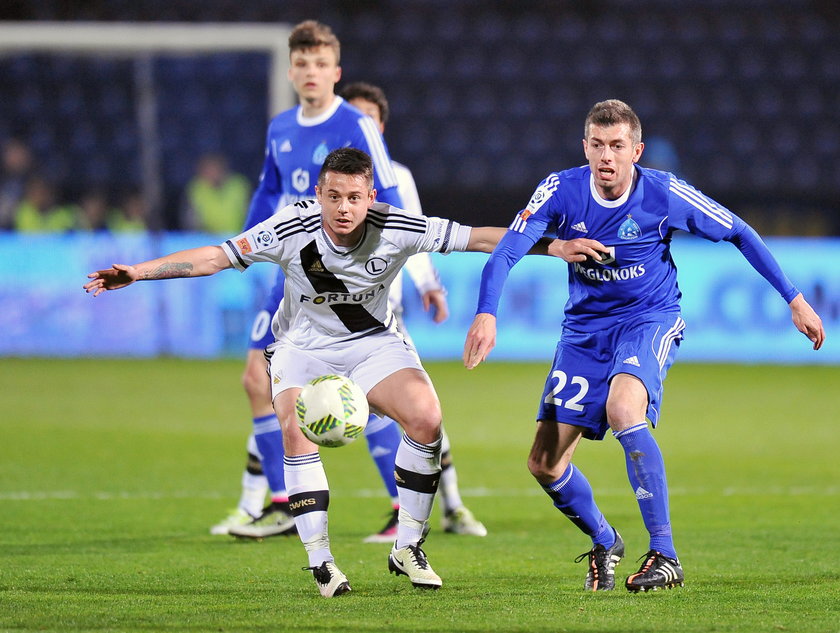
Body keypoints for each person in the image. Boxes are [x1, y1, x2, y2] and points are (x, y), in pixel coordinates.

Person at [84, 147, 556, 597]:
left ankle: (408, 545)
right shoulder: (291, 227)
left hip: (373, 344)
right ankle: (320, 559)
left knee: (427, 417)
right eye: (333, 197)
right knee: (295, 429)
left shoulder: (397, 225)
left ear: (371, 197)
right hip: (302, 347)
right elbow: (217, 257)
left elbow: (481, 237)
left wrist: (555, 247)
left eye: (354, 197)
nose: (343, 208)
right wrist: (139, 272)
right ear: (318, 194)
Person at [462, 99, 825, 593]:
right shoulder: (560, 189)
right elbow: (507, 250)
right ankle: (606, 540)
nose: (606, 157)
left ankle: (665, 554)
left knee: (622, 406)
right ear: (584, 147)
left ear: (637, 151)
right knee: (544, 464)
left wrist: (795, 299)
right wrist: (487, 311)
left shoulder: (664, 192)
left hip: (649, 319)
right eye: (597, 145)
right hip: (584, 332)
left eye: (617, 146)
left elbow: (739, 231)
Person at [207, 20, 407, 540]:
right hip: (289, 273)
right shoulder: (280, 128)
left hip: (341, 279)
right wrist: (246, 248)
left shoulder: (355, 126)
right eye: (302, 64)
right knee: (257, 380)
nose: (311, 73)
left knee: (371, 390)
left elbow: (391, 199)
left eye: (321, 64)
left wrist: (374, 264)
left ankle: (403, 504)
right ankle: (282, 503)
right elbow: (266, 192)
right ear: (291, 71)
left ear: (336, 72)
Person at [340, 81, 487, 541]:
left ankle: (423, 512)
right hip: (332, 318)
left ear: (380, 126)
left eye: (366, 120)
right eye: (351, 120)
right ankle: (446, 507)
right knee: (398, 415)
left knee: (403, 414)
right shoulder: (330, 179)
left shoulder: (394, 177)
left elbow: (416, 233)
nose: (357, 130)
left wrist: (428, 284)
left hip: (383, 317)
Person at [182, 152, 251, 234]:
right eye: (208, 170)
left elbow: (251, 213)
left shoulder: (239, 184)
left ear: (223, 169)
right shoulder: (195, 188)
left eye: (215, 169)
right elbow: (190, 221)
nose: (212, 173)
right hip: (207, 239)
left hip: (238, 236)